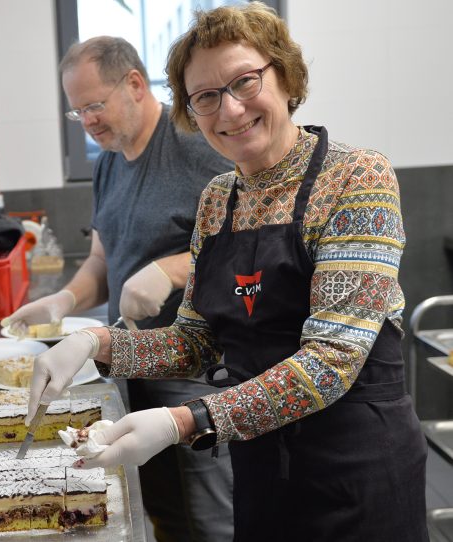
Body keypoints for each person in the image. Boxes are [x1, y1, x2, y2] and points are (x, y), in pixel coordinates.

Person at [26, 4, 429, 541]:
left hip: (354, 468)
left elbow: (332, 361)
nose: (230, 110)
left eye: (244, 82)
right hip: (260, 463)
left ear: (284, 75)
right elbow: (198, 341)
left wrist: (184, 421)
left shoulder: (357, 178)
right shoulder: (220, 198)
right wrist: (92, 343)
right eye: (207, 97)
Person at [3, 37, 234, 541]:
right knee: (159, 506)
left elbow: (247, 246)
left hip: (193, 367)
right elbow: (101, 260)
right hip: (130, 358)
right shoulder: (107, 161)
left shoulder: (198, 143)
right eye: (77, 112)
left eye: (94, 105)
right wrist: (65, 299)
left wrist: (172, 269)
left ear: (133, 84)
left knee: (208, 515)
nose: (88, 121)